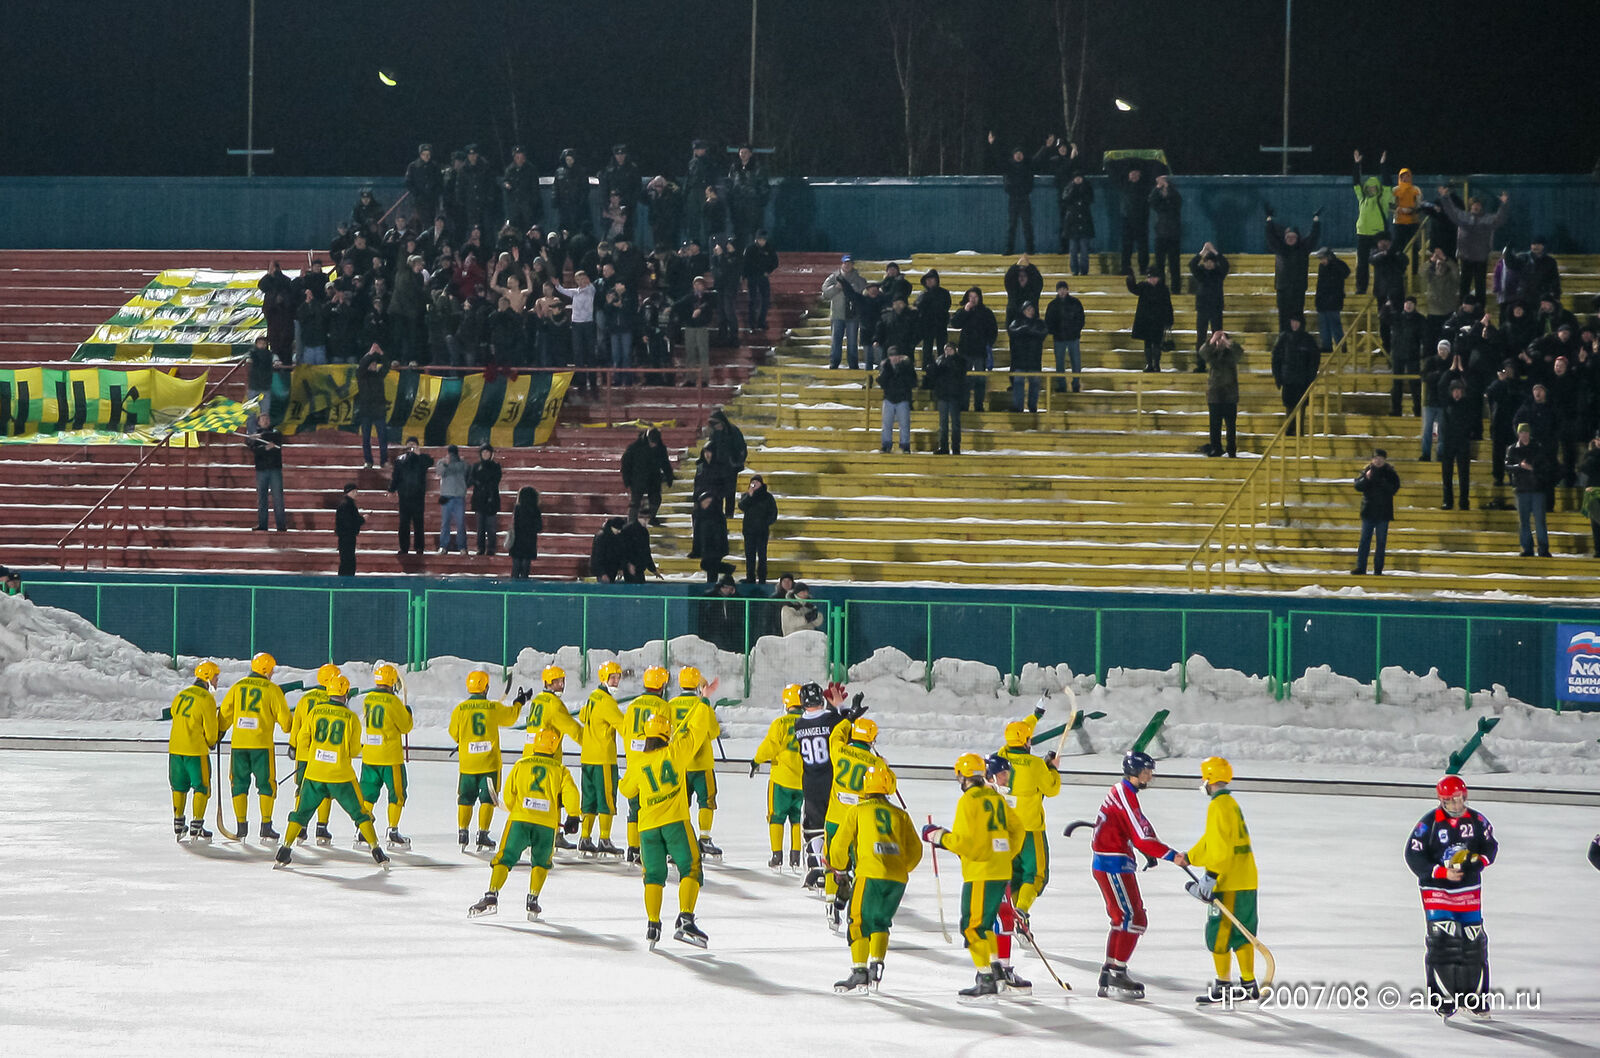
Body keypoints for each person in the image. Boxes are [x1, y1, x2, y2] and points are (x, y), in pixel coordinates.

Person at [920, 752, 1026, 1002]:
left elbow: (964, 843)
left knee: (972, 927)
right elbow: (1018, 829)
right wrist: (1004, 854)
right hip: (1000, 870)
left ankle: (986, 979)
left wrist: (937, 836)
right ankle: (996, 969)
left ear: (961, 775)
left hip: (981, 872)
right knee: (985, 924)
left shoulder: (969, 800)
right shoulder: (995, 797)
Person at [1089, 751, 1188, 1000]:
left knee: (1123, 918)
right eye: (1146, 771)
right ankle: (1116, 972)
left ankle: (1111, 971)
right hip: (1113, 864)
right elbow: (1142, 836)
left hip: (1113, 862)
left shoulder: (1123, 792)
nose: (1149, 776)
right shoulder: (1125, 794)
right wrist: (1171, 855)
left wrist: (1147, 849)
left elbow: (1135, 830)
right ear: (1134, 772)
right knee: (1134, 918)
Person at [1404, 775, 1498, 1020]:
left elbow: (1490, 846)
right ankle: (1443, 998)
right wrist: (1440, 872)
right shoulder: (1429, 824)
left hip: (1468, 890)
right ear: (1442, 800)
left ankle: (1474, 998)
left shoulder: (1477, 820)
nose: (1457, 804)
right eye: (1451, 800)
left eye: (1460, 798)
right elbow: (1413, 855)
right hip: (1437, 890)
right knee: (1443, 941)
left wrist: (1477, 862)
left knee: (1473, 941)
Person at [273, 674, 390, 870]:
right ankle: (376, 851)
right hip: (341, 776)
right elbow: (354, 750)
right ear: (345, 693)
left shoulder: (315, 712)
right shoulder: (351, 718)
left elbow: (303, 739)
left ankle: (284, 850)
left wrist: (314, 756)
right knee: (360, 813)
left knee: (300, 813)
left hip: (314, 774)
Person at [617, 709, 709, 949]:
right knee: (691, 868)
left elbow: (626, 790)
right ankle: (685, 917)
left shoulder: (639, 763)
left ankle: (653, 924)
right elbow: (698, 731)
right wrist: (703, 701)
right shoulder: (675, 752)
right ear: (667, 733)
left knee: (653, 877)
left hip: (648, 828)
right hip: (675, 823)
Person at [465, 726, 578, 921]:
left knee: (505, 857)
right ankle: (533, 899)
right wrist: (573, 816)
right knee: (541, 862)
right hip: (546, 825)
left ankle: (491, 895)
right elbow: (571, 794)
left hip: (519, 821)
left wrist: (514, 806)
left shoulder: (521, 764)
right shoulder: (561, 770)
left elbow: (509, 798)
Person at [829, 764, 921, 995]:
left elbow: (839, 845)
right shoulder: (901, 815)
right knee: (880, 922)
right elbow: (916, 850)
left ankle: (859, 971)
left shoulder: (857, 811)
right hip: (897, 878)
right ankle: (877, 965)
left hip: (869, 874)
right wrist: (900, 867)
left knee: (858, 921)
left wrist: (839, 868)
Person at [1185, 757, 1261, 1005]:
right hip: (1246, 879)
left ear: (1209, 779)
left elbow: (1218, 846)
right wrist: (1189, 857)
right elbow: (1212, 839)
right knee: (1243, 932)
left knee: (1218, 935)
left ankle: (1223, 985)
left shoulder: (1217, 806)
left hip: (1228, 883)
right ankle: (1248, 983)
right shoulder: (1230, 804)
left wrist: (1210, 877)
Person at [822, 716, 896, 933]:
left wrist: (847, 720)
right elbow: (890, 787)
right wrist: (887, 767)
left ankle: (831, 904)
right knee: (860, 865)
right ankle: (857, 907)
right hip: (860, 821)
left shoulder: (840, 750)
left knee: (832, 862)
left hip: (835, 818)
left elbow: (835, 736)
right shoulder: (875, 763)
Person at [993, 706, 1060, 929]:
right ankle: (1021, 910)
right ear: (1026, 741)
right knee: (1036, 874)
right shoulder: (1036, 764)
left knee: (1014, 874)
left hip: (1006, 827)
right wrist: (1053, 769)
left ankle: (1014, 911)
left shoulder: (1001, 756)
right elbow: (1051, 789)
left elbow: (1019, 732)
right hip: (1031, 829)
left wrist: (1035, 716)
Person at [794, 682, 862, 890]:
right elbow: (844, 732)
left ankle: (816, 868)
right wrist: (842, 709)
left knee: (814, 826)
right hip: (832, 780)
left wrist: (836, 710)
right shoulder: (831, 719)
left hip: (810, 781)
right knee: (835, 826)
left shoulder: (798, 724)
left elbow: (819, 725)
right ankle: (840, 868)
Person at [448, 670, 524, 852]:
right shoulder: (492, 708)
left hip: (467, 765)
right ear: (486, 687)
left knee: (465, 798)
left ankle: (462, 832)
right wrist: (519, 703)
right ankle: (482, 834)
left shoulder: (460, 710)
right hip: (489, 764)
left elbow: (453, 732)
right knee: (487, 799)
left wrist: (463, 740)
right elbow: (511, 717)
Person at [219, 652, 290, 842]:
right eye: (271, 670)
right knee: (266, 784)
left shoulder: (238, 686)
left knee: (238, 783)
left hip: (239, 746)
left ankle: (241, 826)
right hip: (262, 746)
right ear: (266, 670)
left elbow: (225, 712)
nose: (272, 673)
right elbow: (286, 722)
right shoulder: (272, 690)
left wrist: (220, 730)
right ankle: (266, 826)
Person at [666, 666, 722, 860]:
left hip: (679, 763)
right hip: (702, 763)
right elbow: (713, 732)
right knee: (706, 801)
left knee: (680, 804)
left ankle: (678, 841)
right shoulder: (702, 705)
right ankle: (704, 838)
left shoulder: (671, 705)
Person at [357, 663, 413, 851]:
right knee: (397, 794)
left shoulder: (368, 699)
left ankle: (363, 830)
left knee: (368, 793)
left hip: (370, 755)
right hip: (390, 757)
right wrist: (408, 713)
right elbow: (405, 726)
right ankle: (392, 831)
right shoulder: (394, 702)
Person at [752, 684, 806, 871]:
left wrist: (756, 760)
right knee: (796, 818)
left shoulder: (780, 724)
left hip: (781, 779)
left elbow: (770, 746)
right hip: (802, 781)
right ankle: (796, 856)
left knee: (776, 817)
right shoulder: (809, 722)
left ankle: (777, 856)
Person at [576, 660, 626, 857]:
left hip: (587, 757)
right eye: (612, 678)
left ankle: (585, 837)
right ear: (604, 678)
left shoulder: (593, 697)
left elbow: (582, 716)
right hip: (603, 758)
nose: (616, 681)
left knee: (588, 800)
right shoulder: (607, 702)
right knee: (606, 799)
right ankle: (604, 839)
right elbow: (623, 726)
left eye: (618, 678)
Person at [167, 661, 221, 841]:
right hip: (196, 751)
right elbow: (211, 731)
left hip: (175, 750)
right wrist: (212, 742)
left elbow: (175, 714)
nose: (217, 680)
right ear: (208, 677)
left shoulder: (181, 695)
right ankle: (197, 825)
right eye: (215, 677)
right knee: (201, 786)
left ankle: (178, 822)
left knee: (178, 786)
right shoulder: (207, 699)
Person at [287, 664, 342, 844]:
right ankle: (321, 828)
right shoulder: (333, 701)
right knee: (325, 790)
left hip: (304, 753)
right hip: (325, 753)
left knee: (302, 789)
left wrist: (293, 745)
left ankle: (300, 826)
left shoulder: (305, 699)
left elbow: (297, 723)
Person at [1438, 191, 1510, 305]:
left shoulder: (1487, 219)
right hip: (1465, 256)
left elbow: (1500, 218)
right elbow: (1451, 212)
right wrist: (1445, 198)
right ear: (1470, 206)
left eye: (1478, 205)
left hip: (1481, 257)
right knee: (1464, 285)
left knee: (1480, 285)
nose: (1476, 207)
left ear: (1481, 207)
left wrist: (1504, 205)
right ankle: (1462, 307)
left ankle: (1480, 308)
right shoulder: (1463, 217)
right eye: (1474, 205)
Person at [1264, 208, 1320, 332]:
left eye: (1293, 236)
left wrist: (1316, 221)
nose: (1290, 239)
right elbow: (1271, 237)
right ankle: (1283, 339)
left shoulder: (1303, 249)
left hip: (1298, 289)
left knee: (1298, 316)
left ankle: (1298, 340)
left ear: (1297, 237)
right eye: (1288, 237)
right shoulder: (1280, 249)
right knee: (1283, 317)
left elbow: (1313, 237)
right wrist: (1269, 220)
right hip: (1283, 289)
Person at [986, 132, 1036, 255]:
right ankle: (1009, 249)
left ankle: (1030, 249)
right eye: (1016, 154)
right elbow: (998, 158)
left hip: (1024, 198)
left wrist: (1046, 147)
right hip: (1013, 198)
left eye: (1020, 153)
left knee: (1027, 224)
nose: (1018, 156)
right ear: (1013, 156)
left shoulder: (1028, 166)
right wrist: (993, 145)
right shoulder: (1009, 166)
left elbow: (1039, 158)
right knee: (1012, 225)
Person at [1352, 449, 1401, 575]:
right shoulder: (1367, 470)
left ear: (1385, 460)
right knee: (1364, 541)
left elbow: (1394, 488)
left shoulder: (1390, 472)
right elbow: (1357, 486)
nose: (1378, 461)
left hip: (1383, 512)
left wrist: (1383, 482)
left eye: (1381, 458)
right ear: (1372, 460)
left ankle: (1378, 569)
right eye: (1376, 458)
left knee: (1381, 542)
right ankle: (1361, 567)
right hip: (1368, 511)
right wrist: (1366, 478)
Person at [1270, 314, 1321, 435]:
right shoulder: (1284, 338)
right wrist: (1278, 377)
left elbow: (1314, 360)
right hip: (1288, 380)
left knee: (1301, 407)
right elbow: (1276, 358)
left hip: (1302, 381)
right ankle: (1290, 431)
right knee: (1289, 406)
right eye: (1293, 322)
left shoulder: (1308, 339)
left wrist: (1310, 377)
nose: (1294, 324)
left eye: (1296, 322)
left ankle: (1299, 432)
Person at [1351, 150, 1393, 295]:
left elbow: (1387, 184)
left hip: (1378, 235)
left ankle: (1381, 289)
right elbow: (1356, 183)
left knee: (1380, 263)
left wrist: (1383, 165)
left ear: (1378, 188)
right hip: (1362, 234)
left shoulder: (1383, 199)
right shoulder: (1362, 198)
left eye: (1374, 187)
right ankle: (1361, 288)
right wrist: (1357, 165)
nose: (1371, 189)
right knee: (1362, 263)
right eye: (1369, 187)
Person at [1506, 425, 1551, 557]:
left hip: (1537, 488)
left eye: (1526, 432)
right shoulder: (1512, 449)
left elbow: (1546, 466)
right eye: (1522, 432)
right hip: (1521, 489)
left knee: (1539, 521)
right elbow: (1507, 466)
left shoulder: (1538, 447)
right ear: (1518, 434)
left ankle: (1543, 548)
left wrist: (1533, 469)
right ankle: (1527, 548)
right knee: (1524, 521)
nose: (1524, 435)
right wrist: (1520, 466)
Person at [950, 287, 997, 411]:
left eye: (975, 297)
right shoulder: (963, 311)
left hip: (980, 352)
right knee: (965, 380)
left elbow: (993, 330)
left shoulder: (986, 312)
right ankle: (964, 406)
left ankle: (978, 405)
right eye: (970, 297)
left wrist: (988, 343)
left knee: (980, 380)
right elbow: (954, 323)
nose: (973, 299)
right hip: (965, 351)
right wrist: (965, 311)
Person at [1199, 330, 1243, 458]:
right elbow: (1202, 352)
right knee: (1215, 425)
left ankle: (1231, 449)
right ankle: (1216, 448)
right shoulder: (1212, 353)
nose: (1220, 342)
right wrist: (1212, 341)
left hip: (1230, 394)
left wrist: (1229, 343)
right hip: (1215, 394)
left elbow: (1239, 353)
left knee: (1231, 425)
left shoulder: (1231, 353)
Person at [1188, 244, 1229, 371]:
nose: (1209, 264)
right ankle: (1200, 364)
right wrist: (1202, 252)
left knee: (1217, 336)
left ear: (1214, 263)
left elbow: (1226, 264)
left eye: (1211, 262)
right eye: (1207, 261)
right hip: (1203, 308)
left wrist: (1214, 251)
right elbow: (1192, 265)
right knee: (1201, 337)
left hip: (1216, 308)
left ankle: (1217, 363)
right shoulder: (1200, 273)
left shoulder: (1219, 273)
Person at [388, 437, 433, 555]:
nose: (411, 447)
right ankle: (404, 547)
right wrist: (391, 490)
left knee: (418, 523)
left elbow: (429, 463)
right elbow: (396, 476)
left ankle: (419, 547)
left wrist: (418, 455)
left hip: (418, 496)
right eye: (409, 445)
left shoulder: (422, 458)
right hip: (404, 496)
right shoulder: (400, 459)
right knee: (404, 523)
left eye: (414, 444)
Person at [821, 256, 867, 370]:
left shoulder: (859, 279)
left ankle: (853, 363)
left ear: (853, 265)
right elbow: (825, 293)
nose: (847, 265)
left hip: (853, 314)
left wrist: (851, 288)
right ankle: (834, 362)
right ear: (841, 264)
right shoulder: (833, 278)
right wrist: (836, 288)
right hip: (837, 314)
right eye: (845, 263)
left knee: (852, 341)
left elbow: (863, 291)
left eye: (849, 263)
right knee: (836, 340)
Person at [621, 427, 674, 525]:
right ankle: (631, 522)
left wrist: (669, 476)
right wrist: (627, 480)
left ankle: (652, 517)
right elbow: (626, 464)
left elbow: (665, 463)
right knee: (635, 502)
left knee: (656, 499)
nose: (653, 445)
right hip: (638, 479)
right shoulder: (634, 447)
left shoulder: (661, 448)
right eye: (651, 443)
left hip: (654, 479)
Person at [1127, 268, 1174, 373]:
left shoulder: (1163, 289)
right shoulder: (1143, 286)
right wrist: (1130, 279)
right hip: (1146, 320)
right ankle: (1149, 364)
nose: (1152, 279)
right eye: (1150, 277)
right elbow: (1134, 289)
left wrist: (1169, 320)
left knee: (1157, 343)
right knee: (1148, 343)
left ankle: (1156, 364)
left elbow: (1168, 305)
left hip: (1158, 320)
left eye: (1154, 277)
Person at [246, 414, 286, 533]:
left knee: (278, 498)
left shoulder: (275, 432)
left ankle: (281, 525)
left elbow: (277, 439)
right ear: (258, 422)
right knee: (262, 498)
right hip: (261, 470)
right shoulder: (254, 435)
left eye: (267, 419)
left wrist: (262, 436)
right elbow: (253, 448)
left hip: (275, 469)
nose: (266, 421)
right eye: (263, 419)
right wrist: (265, 448)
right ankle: (262, 524)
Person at [674, 276, 717, 387]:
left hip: (702, 327)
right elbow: (679, 305)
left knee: (703, 354)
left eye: (699, 284)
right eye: (695, 284)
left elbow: (711, 304)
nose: (697, 287)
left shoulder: (708, 297)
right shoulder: (689, 297)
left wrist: (700, 309)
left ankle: (704, 379)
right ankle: (690, 378)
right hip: (690, 327)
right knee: (690, 354)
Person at [1044, 281, 1085, 394]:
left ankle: (1076, 384)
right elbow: (1048, 321)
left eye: (1064, 289)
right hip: (1059, 338)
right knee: (1060, 363)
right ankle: (1062, 385)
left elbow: (1081, 319)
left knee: (1075, 362)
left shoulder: (1075, 303)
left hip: (1073, 337)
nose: (1062, 291)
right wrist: (1055, 332)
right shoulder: (1053, 305)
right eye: (1060, 289)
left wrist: (1075, 330)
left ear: (1067, 290)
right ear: (1057, 291)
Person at [1439, 380, 1475, 510]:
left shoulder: (1467, 405)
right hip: (1449, 442)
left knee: (1464, 474)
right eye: (1454, 390)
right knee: (1446, 474)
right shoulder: (1447, 404)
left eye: (1459, 390)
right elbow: (1443, 424)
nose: (1457, 393)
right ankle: (1447, 501)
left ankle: (1464, 501)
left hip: (1463, 442)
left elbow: (1471, 422)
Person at [737, 474, 778, 584]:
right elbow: (741, 506)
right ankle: (750, 577)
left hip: (762, 531)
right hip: (749, 531)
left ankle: (762, 577)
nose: (754, 484)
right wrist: (750, 496)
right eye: (752, 482)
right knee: (749, 555)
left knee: (762, 555)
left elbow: (773, 513)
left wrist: (765, 523)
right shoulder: (746, 495)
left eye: (757, 482)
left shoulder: (768, 497)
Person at [1391, 296, 1427, 418]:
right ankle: (1396, 410)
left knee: (1415, 384)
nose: (1408, 305)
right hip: (1398, 355)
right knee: (1397, 384)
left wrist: (1423, 354)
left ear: (1415, 305)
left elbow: (1425, 338)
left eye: (1411, 303)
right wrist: (1386, 306)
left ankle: (1418, 410)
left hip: (1413, 356)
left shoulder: (1420, 319)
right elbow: (1384, 317)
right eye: (1407, 303)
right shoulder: (1397, 317)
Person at [877, 346, 918, 450]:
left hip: (903, 398)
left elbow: (913, 382)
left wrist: (902, 372)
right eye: (892, 356)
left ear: (900, 356)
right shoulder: (885, 366)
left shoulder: (907, 366)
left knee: (904, 424)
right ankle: (886, 445)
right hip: (888, 398)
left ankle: (905, 445)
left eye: (896, 356)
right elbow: (881, 382)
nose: (894, 358)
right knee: (886, 424)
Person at [355, 344, 389, 468]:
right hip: (366, 411)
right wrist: (370, 354)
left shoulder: (379, 375)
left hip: (379, 411)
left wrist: (381, 353)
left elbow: (387, 365)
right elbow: (361, 366)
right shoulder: (361, 376)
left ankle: (384, 461)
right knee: (366, 439)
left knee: (383, 438)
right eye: (372, 364)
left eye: (375, 364)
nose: (375, 366)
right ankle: (368, 461)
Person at [1115, 163, 1151, 276]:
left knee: (1142, 247)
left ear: (1140, 175)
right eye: (1132, 173)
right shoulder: (1124, 185)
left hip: (1141, 220)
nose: (1134, 176)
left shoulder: (1145, 187)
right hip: (1127, 220)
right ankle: (1125, 268)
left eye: (1136, 174)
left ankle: (1143, 269)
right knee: (1126, 246)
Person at [465, 445, 502, 557]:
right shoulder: (476, 466)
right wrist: (477, 481)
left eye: (487, 452)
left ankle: (491, 548)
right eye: (483, 452)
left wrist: (483, 482)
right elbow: (470, 480)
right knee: (480, 527)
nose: (485, 454)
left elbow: (495, 480)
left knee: (491, 527)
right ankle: (480, 548)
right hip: (479, 500)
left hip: (491, 499)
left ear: (491, 454)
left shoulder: (496, 466)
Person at [1149, 174, 1184, 293]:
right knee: (1160, 264)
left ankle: (1176, 289)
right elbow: (1152, 200)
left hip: (1173, 236)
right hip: (1161, 236)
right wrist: (1158, 187)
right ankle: (1161, 289)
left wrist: (1167, 186)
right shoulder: (1160, 205)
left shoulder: (1174, 201)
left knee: (1174, 264)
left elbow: (1177, 200)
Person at [1060, 159, 1095, 275]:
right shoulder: (1069, 188)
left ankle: (1084, 270)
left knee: (1084, 249)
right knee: (1073, 249)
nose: (1078, 179)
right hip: (1072, 223)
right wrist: (1074, 189)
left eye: (1080, 177)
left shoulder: (1087, 187)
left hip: (1084, 222)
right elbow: (1065, 199)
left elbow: (1090, 199)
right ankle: (1074, 270)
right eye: (1076, 178)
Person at [914, 269, 952, 372]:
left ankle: (942, 370)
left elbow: (945, 306)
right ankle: (926, 371)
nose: (929, 282)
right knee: (927, 349)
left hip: (940, 325)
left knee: (942, 349)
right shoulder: (922, 294)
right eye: (928, 280)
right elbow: (918, 307)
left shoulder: (944, 293)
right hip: (927, 326)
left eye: (932, 279)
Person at [1314, 248, 1351, 352]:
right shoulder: (1322, 267)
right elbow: (1320, 285)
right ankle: (1327, 346)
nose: (1322, 261)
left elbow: (1346, 273)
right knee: (1324, 325)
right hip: (1324, 300)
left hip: (1334, 300)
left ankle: (1341, 345)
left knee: (1335, 324)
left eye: (1323, 258)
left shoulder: (1338, 264)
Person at [436, 444, 469, 555]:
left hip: (459, 496)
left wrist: (449, 465)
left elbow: (464, 470)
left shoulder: (462, 463)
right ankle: (443, 546)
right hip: (446, 496)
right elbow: (440, 472)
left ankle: (462, 547)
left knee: (460, 523)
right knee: (445, 523)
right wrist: (445, 463)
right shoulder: (442, 462)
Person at [743, 229, 778, 331]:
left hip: (763, 276)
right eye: (760, 239)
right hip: (752, 277)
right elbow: (745, 264)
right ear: (756, 239)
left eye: (764, 240)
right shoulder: (750, 249)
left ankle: (761, 322)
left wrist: (768, 271)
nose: (762, 242)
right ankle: (752, 324)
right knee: (752, 300)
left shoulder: (769, 248)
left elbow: (775, 262)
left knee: (765, 300)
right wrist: (745, 276)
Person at [501, 145, 541, 232]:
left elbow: (535, 189)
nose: (519, 159)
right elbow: (505, 181)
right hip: (514, 207)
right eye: (517, 157)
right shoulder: (510, 169)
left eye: (521, 157)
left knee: (529, 229)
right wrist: (506, 184)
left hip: (527, 207)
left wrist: (532, 204)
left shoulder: (531, 170)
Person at [404, 143, 443, 227]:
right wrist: (417, 194)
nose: (426, 156)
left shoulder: (435, 166)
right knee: (420, 223)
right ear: (420, 155)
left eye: (428, 154)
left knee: (431, 222)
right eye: (424, 154)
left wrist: (435, 193)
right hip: (419, 201)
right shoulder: (413, 166)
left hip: (432, 200)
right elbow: (408, 182)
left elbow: (440, 182)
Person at [507, 486, 542, 579]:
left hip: (518, 541)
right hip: (530, 541)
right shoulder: (535, 509)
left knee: (516, 566)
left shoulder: (518, 508)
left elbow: (515, 524)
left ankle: (513, 584)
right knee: (526, 567)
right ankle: (524, 584)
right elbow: (539, 527)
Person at [1002, 255, 1043, 327]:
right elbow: (1008, 279)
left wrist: (1030, 266)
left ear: (1028, 278)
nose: (1022, 278)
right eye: (1020, 276)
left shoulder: (1033, 291)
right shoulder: (1013, 291)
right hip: (1014, 325)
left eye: (1024, 276)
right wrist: (1016, 266)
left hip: (1031, 327)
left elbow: (1038, 280)